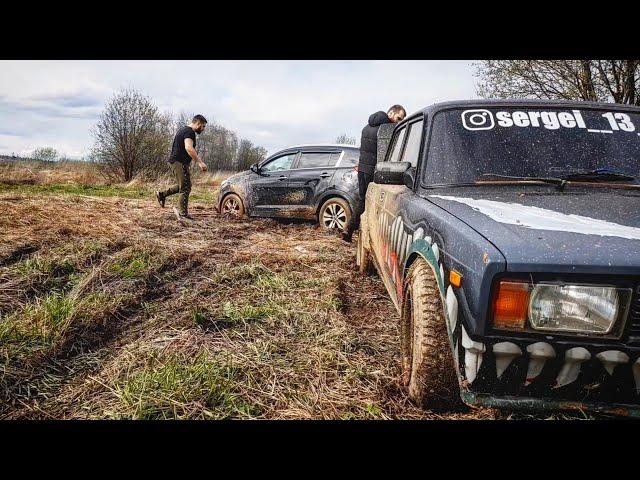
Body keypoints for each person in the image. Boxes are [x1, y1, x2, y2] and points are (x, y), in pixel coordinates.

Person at [342, 104, 406, 242]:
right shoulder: (386, 130)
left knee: (362, 200)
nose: (399, 122)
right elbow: (384, 154)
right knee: (372, 202)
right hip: (374, 171)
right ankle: (358, 231)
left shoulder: (367, 127)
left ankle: (350, 229)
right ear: (391, 113)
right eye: (399, 118)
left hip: (362, 169)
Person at [156, 115, 209, 220]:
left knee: (184, 184)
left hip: (175, 162)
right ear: (198, 123)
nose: (203, 129)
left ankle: (162, 194)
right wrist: (200, 162)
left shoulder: (183, 130)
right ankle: (183, 214)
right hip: (178, 162)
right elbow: (189, 148)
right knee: (185, 188)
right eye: (202, 126)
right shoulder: (189, 132)